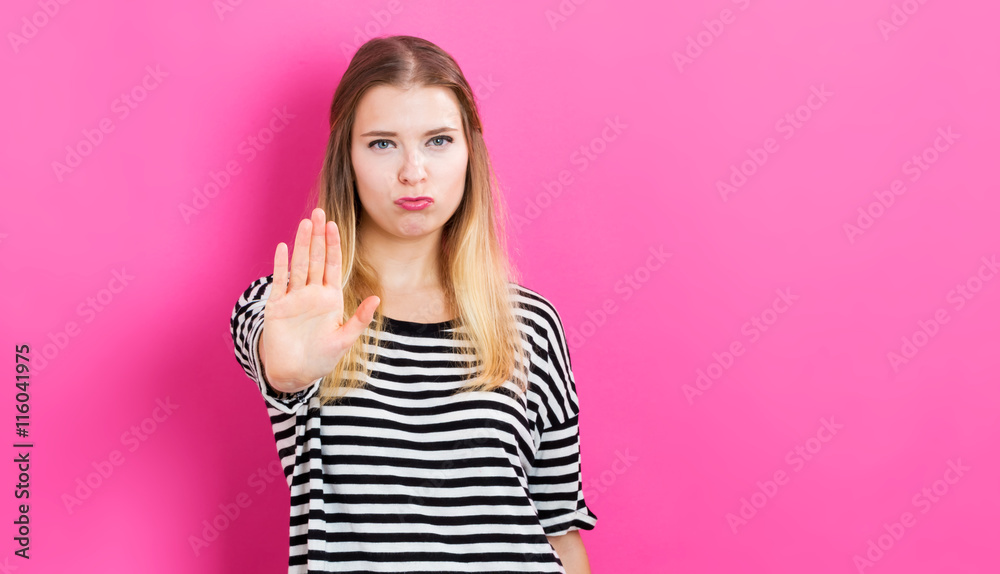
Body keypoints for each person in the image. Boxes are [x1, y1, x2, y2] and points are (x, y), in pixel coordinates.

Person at [229, 35, 597, 574]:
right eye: (382, 143)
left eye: (438, 141)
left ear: (471, 150)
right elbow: (275, 356)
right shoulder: (290, 309)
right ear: (346, 159)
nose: (413, 172)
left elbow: (558, 530)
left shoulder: (530, 324)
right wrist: (284, 371)